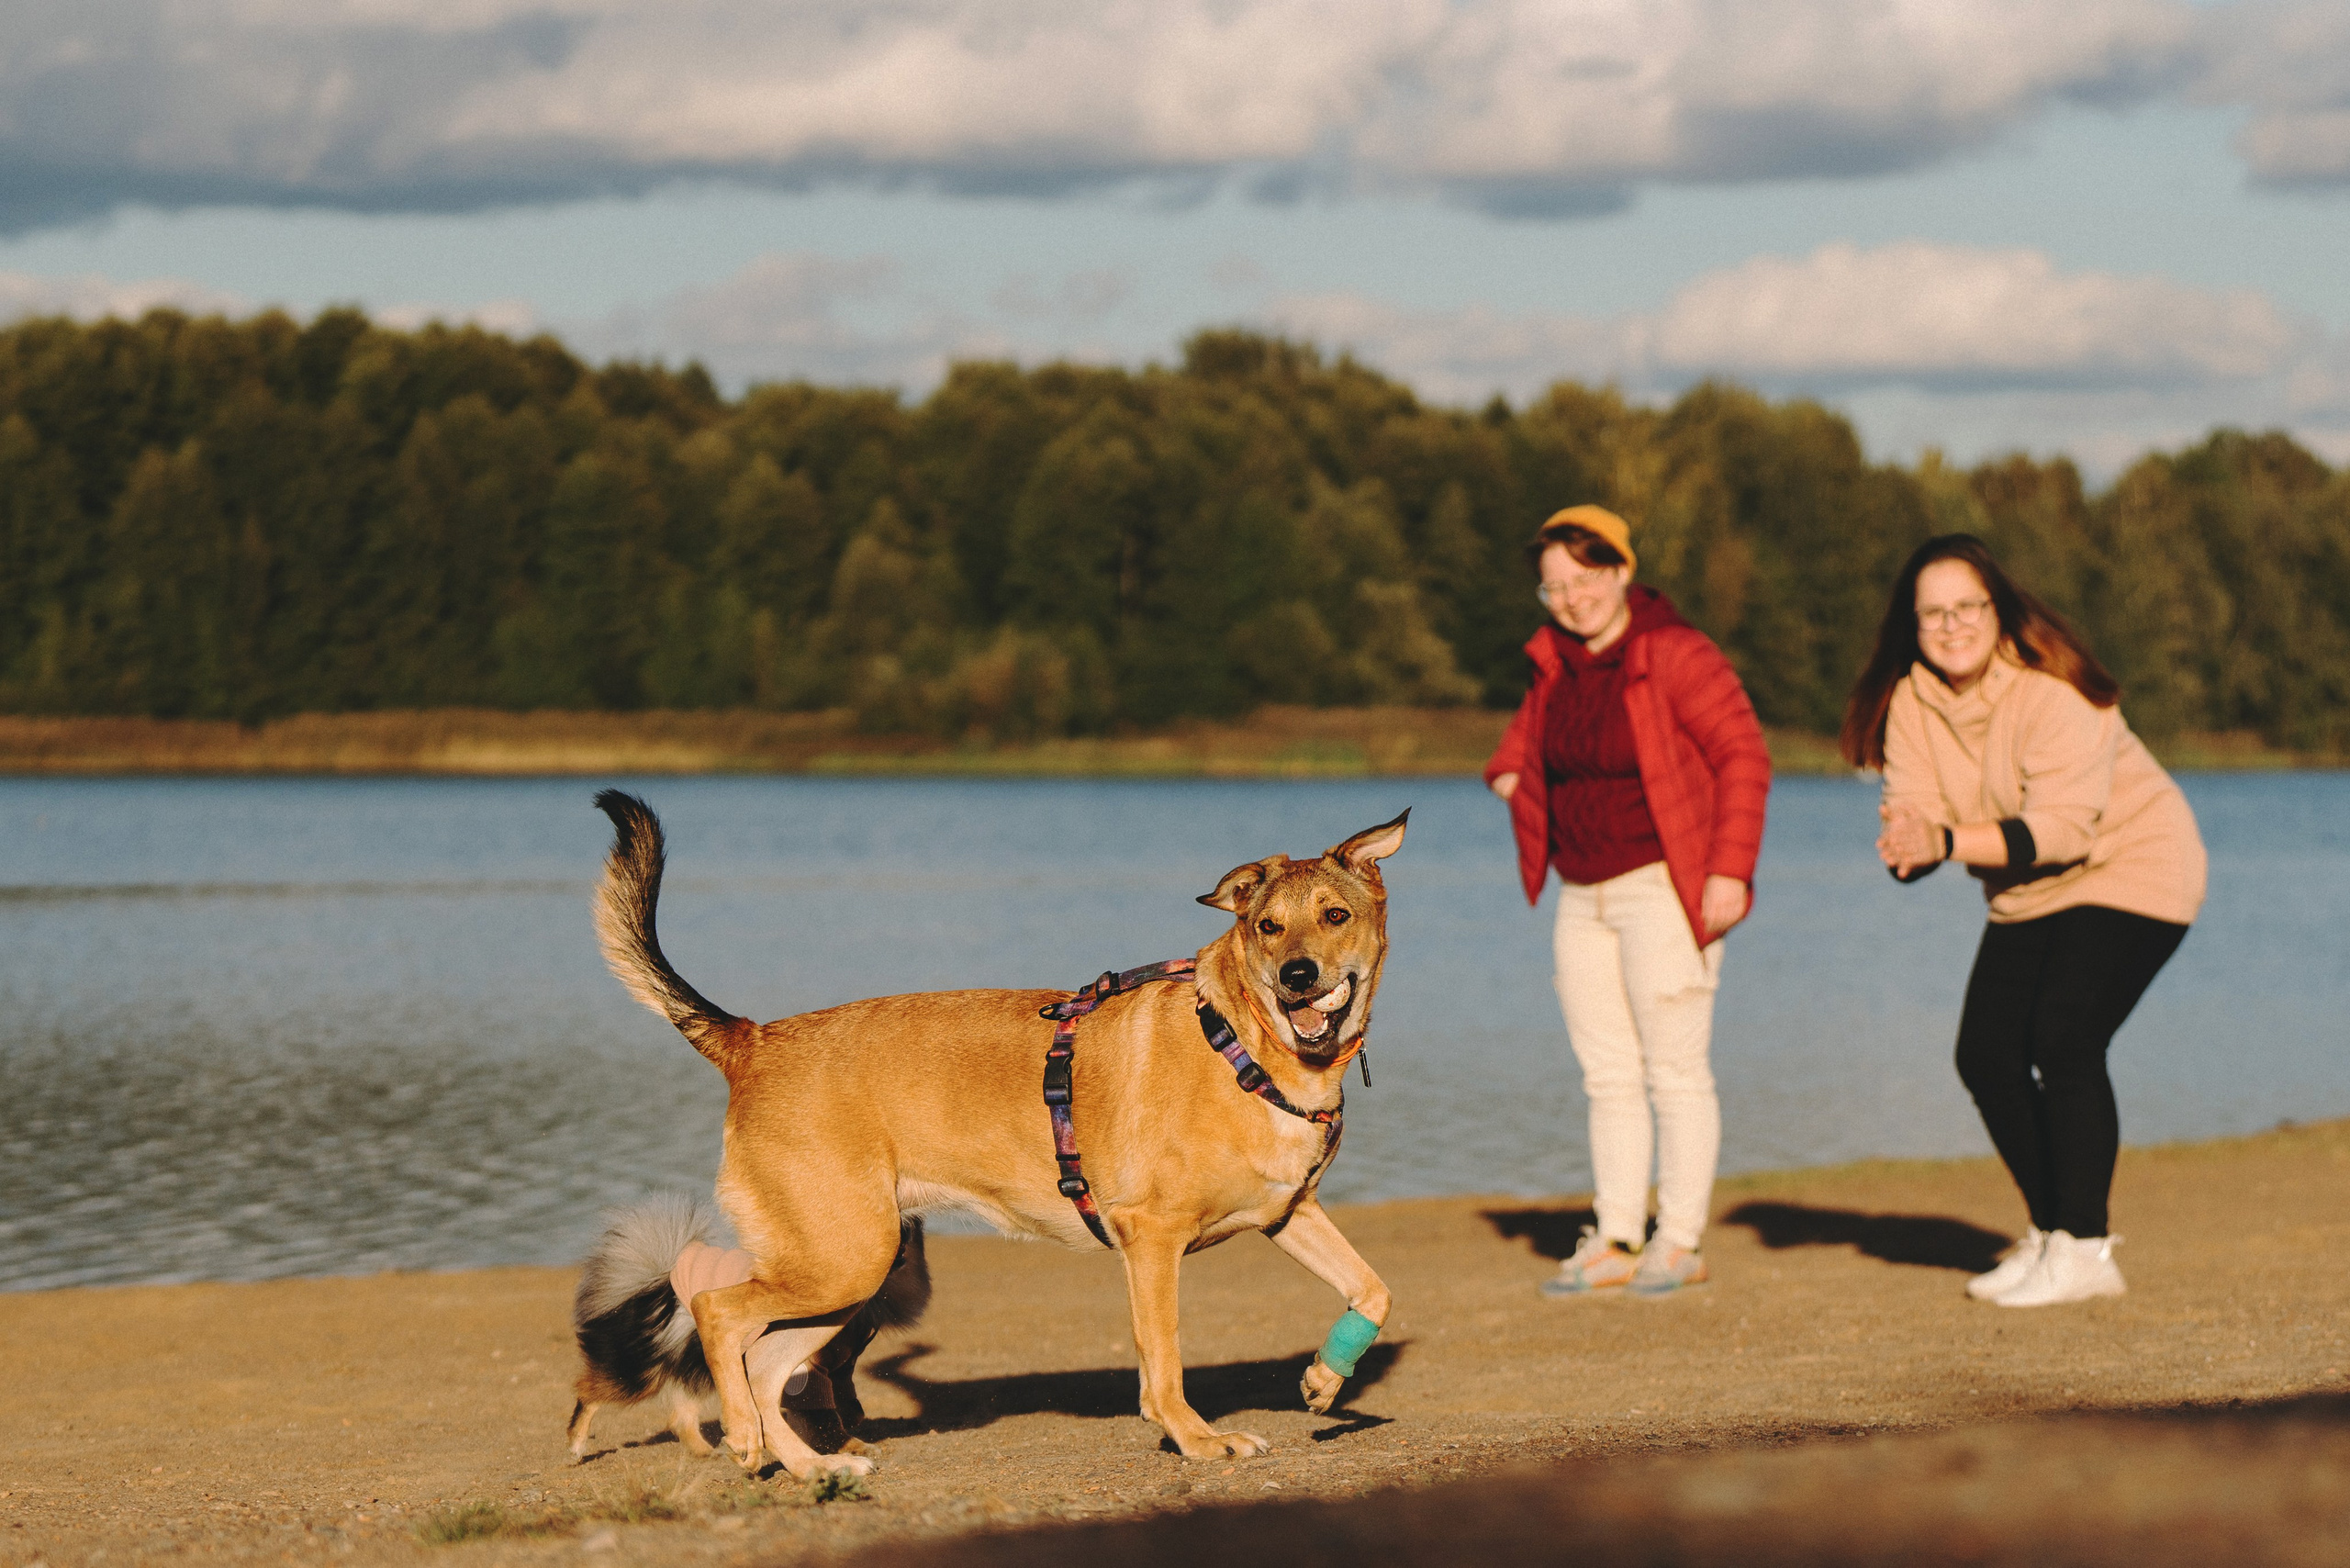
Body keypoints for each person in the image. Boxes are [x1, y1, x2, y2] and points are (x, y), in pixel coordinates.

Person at [1841, 534, 2205, 1308]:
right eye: (1932, 613)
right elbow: (1921, 813)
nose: (1952, 626)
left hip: (2135, 866)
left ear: (1998, 609)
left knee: (2065, 1037)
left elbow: (2067, 830)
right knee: (1985, 1055)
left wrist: (1943, 842)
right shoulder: (1912, 700)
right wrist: (1908, 844)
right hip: (2027, 889)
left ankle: (2085, 1247)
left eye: (1968, 607)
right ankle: (2050, 1233)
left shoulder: (2053, 688)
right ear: (1912, 625)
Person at [1484, 505, 1771, 1298]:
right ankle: (1615, 1237)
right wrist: (1516, 782)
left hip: (1664, 888)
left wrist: (1729, 872)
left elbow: (1744, 756)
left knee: (1675, 1071)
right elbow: (1513, 754)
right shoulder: (1555, 665)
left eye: (1583, 579)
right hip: (1582, 892)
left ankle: (1678, 1241)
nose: (1572, 599)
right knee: (1607, 1075)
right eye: (1554, 588)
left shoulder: (1676, 654)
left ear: (1619, 571)